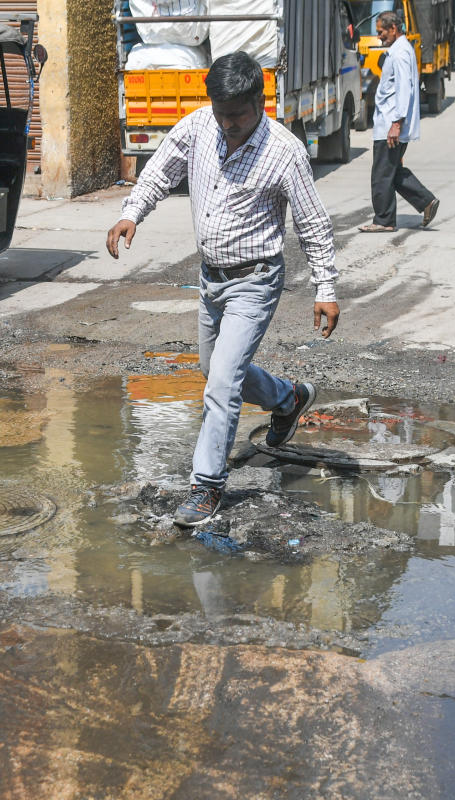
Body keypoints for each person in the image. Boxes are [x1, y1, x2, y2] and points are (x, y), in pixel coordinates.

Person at [105, 51, 340, 528]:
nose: (229, 124)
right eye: (221, 113)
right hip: (211, 277)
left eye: (238, 114)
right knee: (215, 369)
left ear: (259, 102)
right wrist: (132, 212)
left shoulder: (285, 151)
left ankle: (206, 488)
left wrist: (326, 287)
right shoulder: (198, 128)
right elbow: (161, 170)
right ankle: (288, 398)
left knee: (221, 386)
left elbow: (313, 224)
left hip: (256, 280)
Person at [358, 11, 439, 234]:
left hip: (390, 124)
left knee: (382, 174)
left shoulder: (400, 53)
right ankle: (426, 202)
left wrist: (396, 123)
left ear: (394, 28)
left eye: (382, 32)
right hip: (389, 123)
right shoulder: (399, 50)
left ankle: (384, 220)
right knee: (391, 171)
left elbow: (404, 90)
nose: (379, 37)